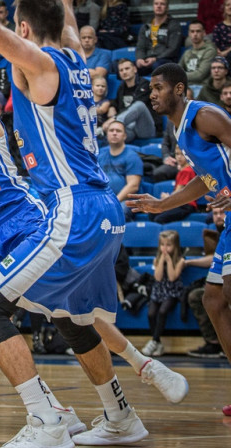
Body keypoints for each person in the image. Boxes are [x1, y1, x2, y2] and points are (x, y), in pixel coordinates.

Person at [0, 1, 164, 445]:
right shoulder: (75, 56)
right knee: (69, 314)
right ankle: (118, 415)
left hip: (69, 208)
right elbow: (63, 16)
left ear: (23, 28)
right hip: (97, 205)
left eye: (14, 28)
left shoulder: (42, 63)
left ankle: (46, 421)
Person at [127, 62, 231, 415]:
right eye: (151, 88)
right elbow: (204, 181)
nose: (152, 94)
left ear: (180, 90)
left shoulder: (203, 115)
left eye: (158, 88)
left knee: (227, 292)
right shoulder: (182, 129)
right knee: (214, 300)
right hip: (229, 217)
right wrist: (161, 206)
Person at [185, 207, 226, 358]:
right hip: (223, 282)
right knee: (199, 296)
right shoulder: (217, 234)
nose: (219, 216)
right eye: (215, 213)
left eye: (222, 212)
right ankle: (213, 343)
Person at [142, 230, 185, 357]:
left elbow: (172, 278)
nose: (164, 248)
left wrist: (169, 261)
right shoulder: (157, 259)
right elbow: (158, 277)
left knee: (162, 311)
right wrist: (161, 260)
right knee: (151, 314)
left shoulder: (181, 260)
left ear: (175, 246)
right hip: (159, 290)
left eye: (168, 245)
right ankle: (158, 343)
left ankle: (154, 341)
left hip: (172, 291)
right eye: (162, 245)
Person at [102, 58, 158, 142]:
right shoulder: (122, 87)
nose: (124, 72)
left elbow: (137, 105)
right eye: (121, 70)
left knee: (139, 105)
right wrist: (112, 106)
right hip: (128, 128)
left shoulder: (146, 85)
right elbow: (116, 102)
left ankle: (115, 124)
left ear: (135, 69)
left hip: (145, 128)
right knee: (113, 136)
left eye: (127, 69)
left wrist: (115, 119)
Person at [98, 120, 142, 220]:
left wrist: (114, 202)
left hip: (125, 201)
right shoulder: (100, 155)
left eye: (118, 131)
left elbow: (133, 186)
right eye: (111, 130)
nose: (114, 133)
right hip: (102, 199)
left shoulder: (132, 156)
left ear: (125, 136)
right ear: (107, 134)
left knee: (117, 212)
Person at [149, 146, 197, 224]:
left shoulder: (187, 171)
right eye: (177, 154)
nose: (179, 157)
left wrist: (166, 198)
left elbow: (179, 191)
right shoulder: (182, 170)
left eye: (182, 154)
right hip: (179, 204)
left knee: (159, 219)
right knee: (152, 214)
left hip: (186, 205)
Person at [135, 0, 183, 76]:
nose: (159, 6)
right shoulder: (146, 26)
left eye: (162, 4)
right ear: (153, 6)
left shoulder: (174, 25)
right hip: (147, 59)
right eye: (156, 4)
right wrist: (140, 59)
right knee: (130, 68)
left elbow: (173, 49)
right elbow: (140, 47)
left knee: (157, 66)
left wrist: (156, 59)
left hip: (166, 60)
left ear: (167, 8)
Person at [180, 21, 217, 97]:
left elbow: (200, 75)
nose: (195, 34)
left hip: (202, 87)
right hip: (187, 87)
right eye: (192, 31)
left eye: (198, 31)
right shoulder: (187, 52)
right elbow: (178, 69)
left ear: (204, 33)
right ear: (189, 34)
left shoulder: (210, 51)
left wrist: (180, 75)